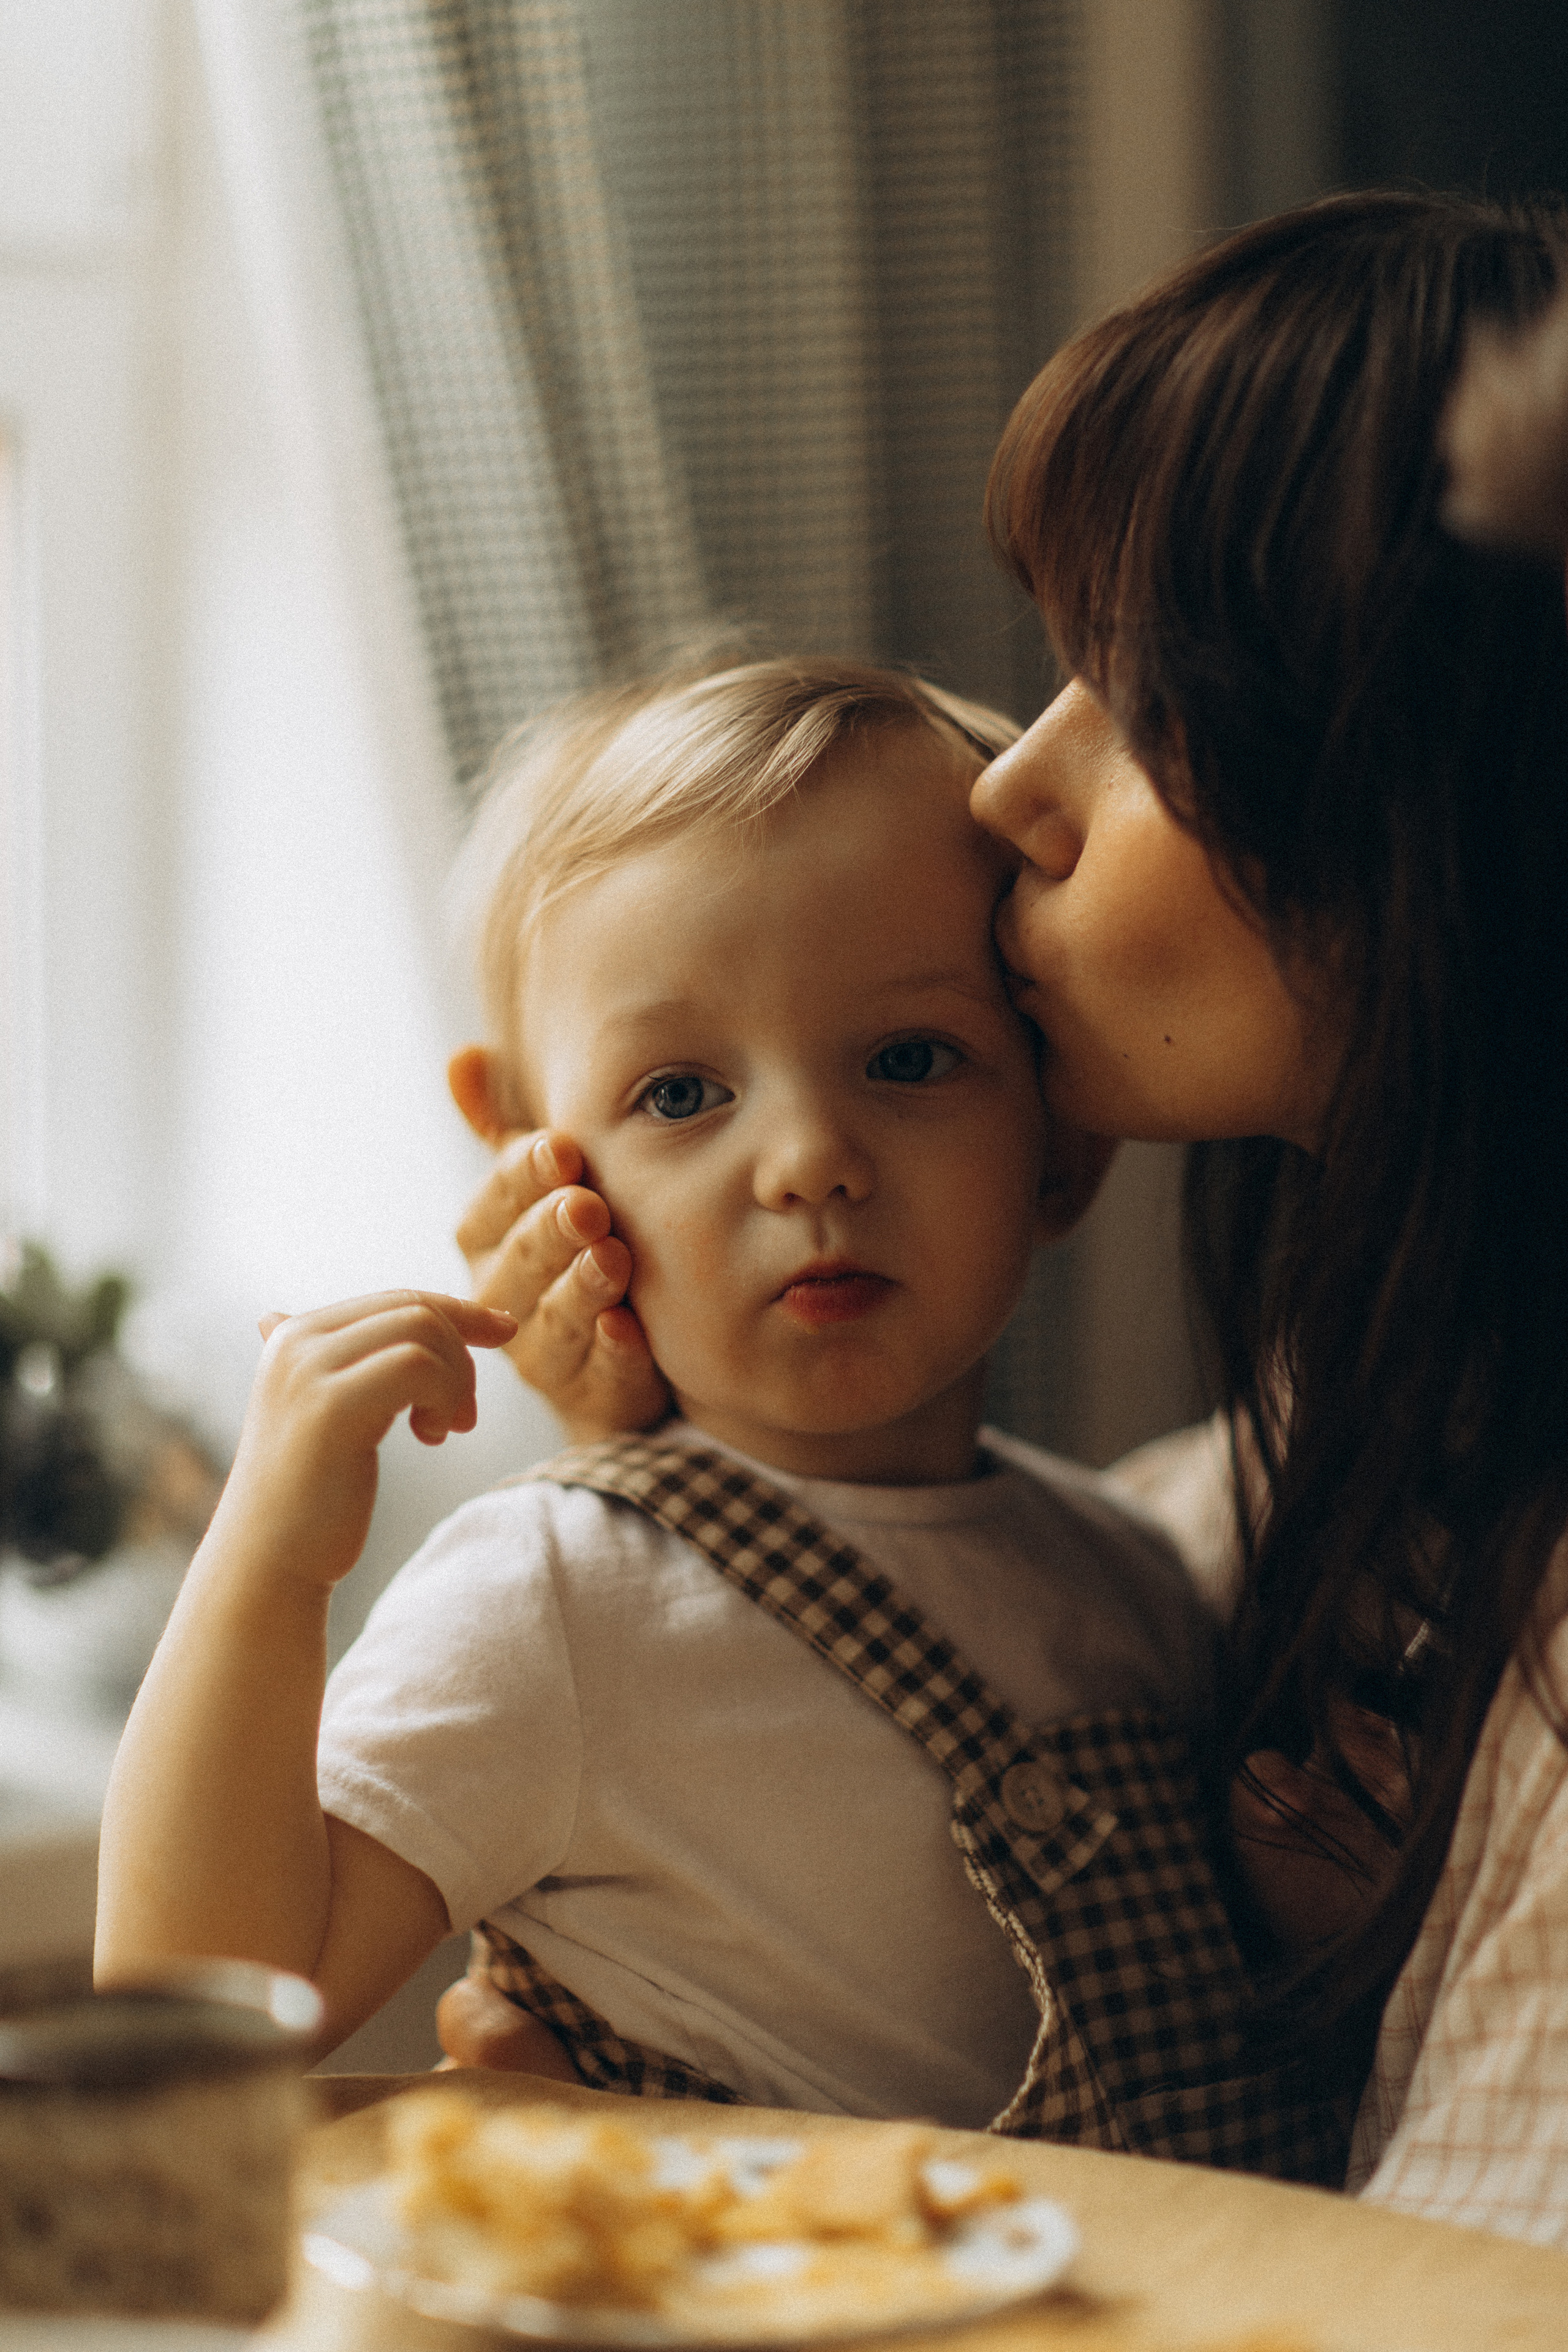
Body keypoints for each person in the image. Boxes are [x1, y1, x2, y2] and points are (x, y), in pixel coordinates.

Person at [453, 194, 1568, 2246]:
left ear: (1413, 793)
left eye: (1130, 697)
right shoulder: (1408, 1383)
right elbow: (1033, 1596)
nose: (1013, 788)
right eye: (681, 1096)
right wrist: (685, 1476)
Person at [101, 657, 1337, 2170]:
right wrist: (266, 1565)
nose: (808, 1159)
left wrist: (1309, 1918)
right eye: (681, 1094)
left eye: (906, 1059)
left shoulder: (1140, 1573)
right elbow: (197, 2021)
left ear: (1061, 1152)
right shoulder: (553, 1598)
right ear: (539, 1160)